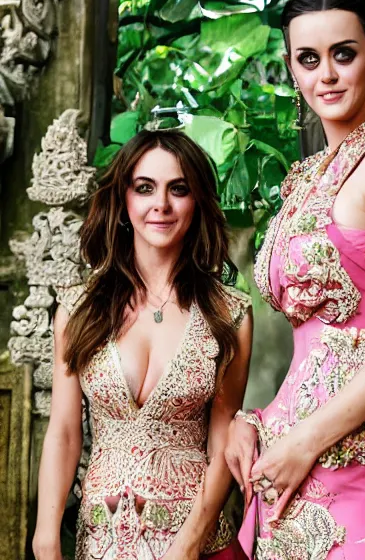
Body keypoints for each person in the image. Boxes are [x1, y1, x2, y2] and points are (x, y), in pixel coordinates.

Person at [225, 0, 365, 559]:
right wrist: (256, 420)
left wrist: (303, 442)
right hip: (284, 464)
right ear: (292, 70)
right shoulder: (305, 177)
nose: (327, 74)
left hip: (351, 464)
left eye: (345, 53)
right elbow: (311, 350)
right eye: (308, 59)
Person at [32, 129, 252, 560]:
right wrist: (45, 534)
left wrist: (188, 545)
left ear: (197, 203)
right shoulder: (78, 308)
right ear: (124, 201)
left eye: (179, 189)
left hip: (198, 545)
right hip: (102, 542)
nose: (161, 205)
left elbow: (222, 441)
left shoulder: (230, 314)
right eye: (145, 188)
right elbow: (63, 430)